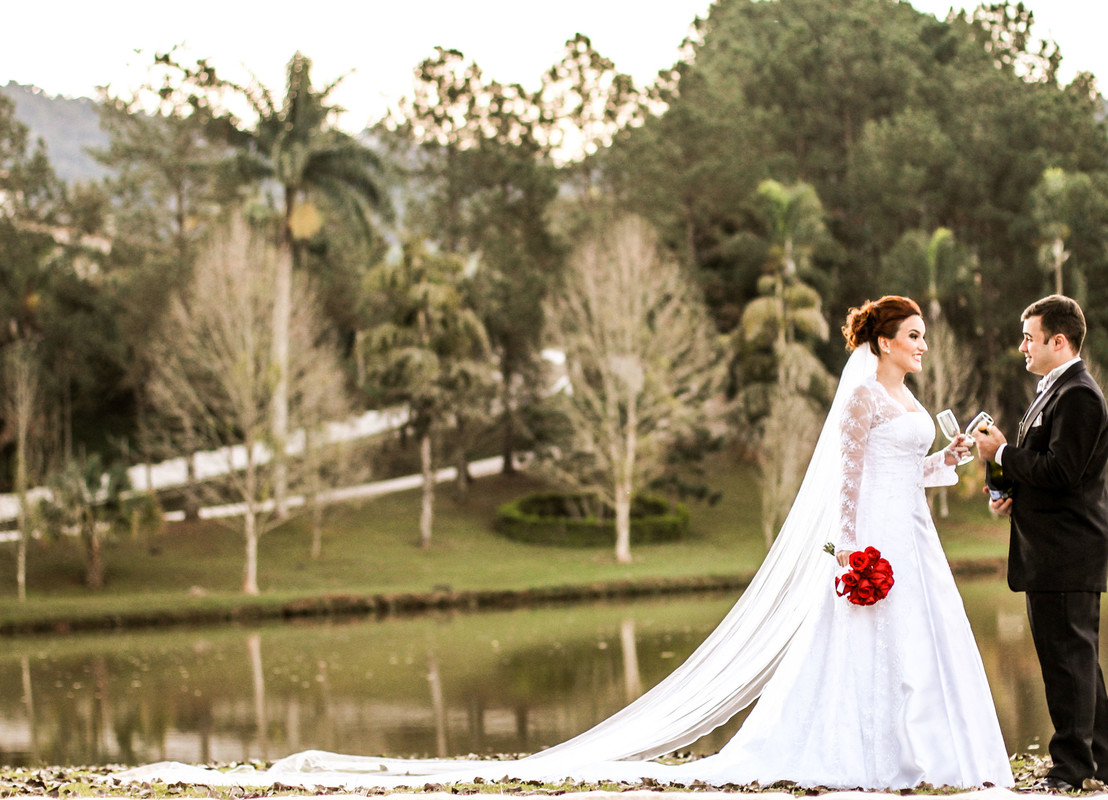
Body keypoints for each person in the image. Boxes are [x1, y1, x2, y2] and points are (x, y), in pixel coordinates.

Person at [116, 297, 1013, 791]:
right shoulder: (861, 396)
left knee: (927, 650)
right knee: (862, 650)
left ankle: (929, 757)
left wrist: (960, 456)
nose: (921, 345)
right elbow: (847, 486)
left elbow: (918, 475)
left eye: (923, 337)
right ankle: (860, 757)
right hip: (873, 548)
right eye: (911, 335)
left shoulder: (908, 403)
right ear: (880, 342)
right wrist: (851, 558)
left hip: (919, 539)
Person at [974, 294, 1108, 792]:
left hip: (1067, 550)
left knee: (1068, 662)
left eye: (1029, 338)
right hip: (1051, 547)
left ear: (1059, 341)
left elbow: (1063, 471)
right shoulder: (1052, 390)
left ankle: (1071, 770)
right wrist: (1009, 489)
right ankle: (1097, 764)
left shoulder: (1077, 394)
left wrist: (1003, 452)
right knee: (1076, 661)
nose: (1022, 347)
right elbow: (1049, 469)